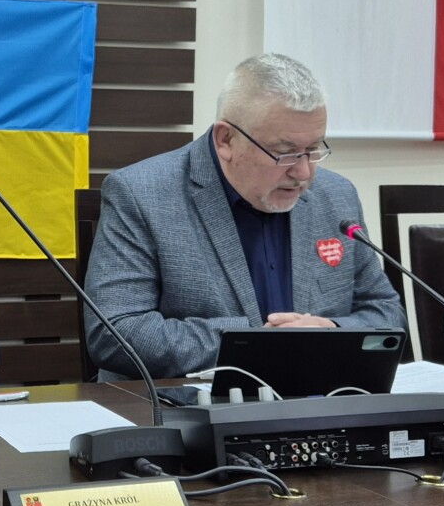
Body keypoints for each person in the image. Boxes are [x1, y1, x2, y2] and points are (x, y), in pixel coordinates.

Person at [83, 53, 404, 380]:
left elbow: (386, 313)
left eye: (313, 150)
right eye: (284, 153)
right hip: (183, 401)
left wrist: (329, 331)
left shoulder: (335, 195)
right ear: (226, 140)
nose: (304, 172)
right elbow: (115, 332)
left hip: (317, 397)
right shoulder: (142, 194)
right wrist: (255, 343)